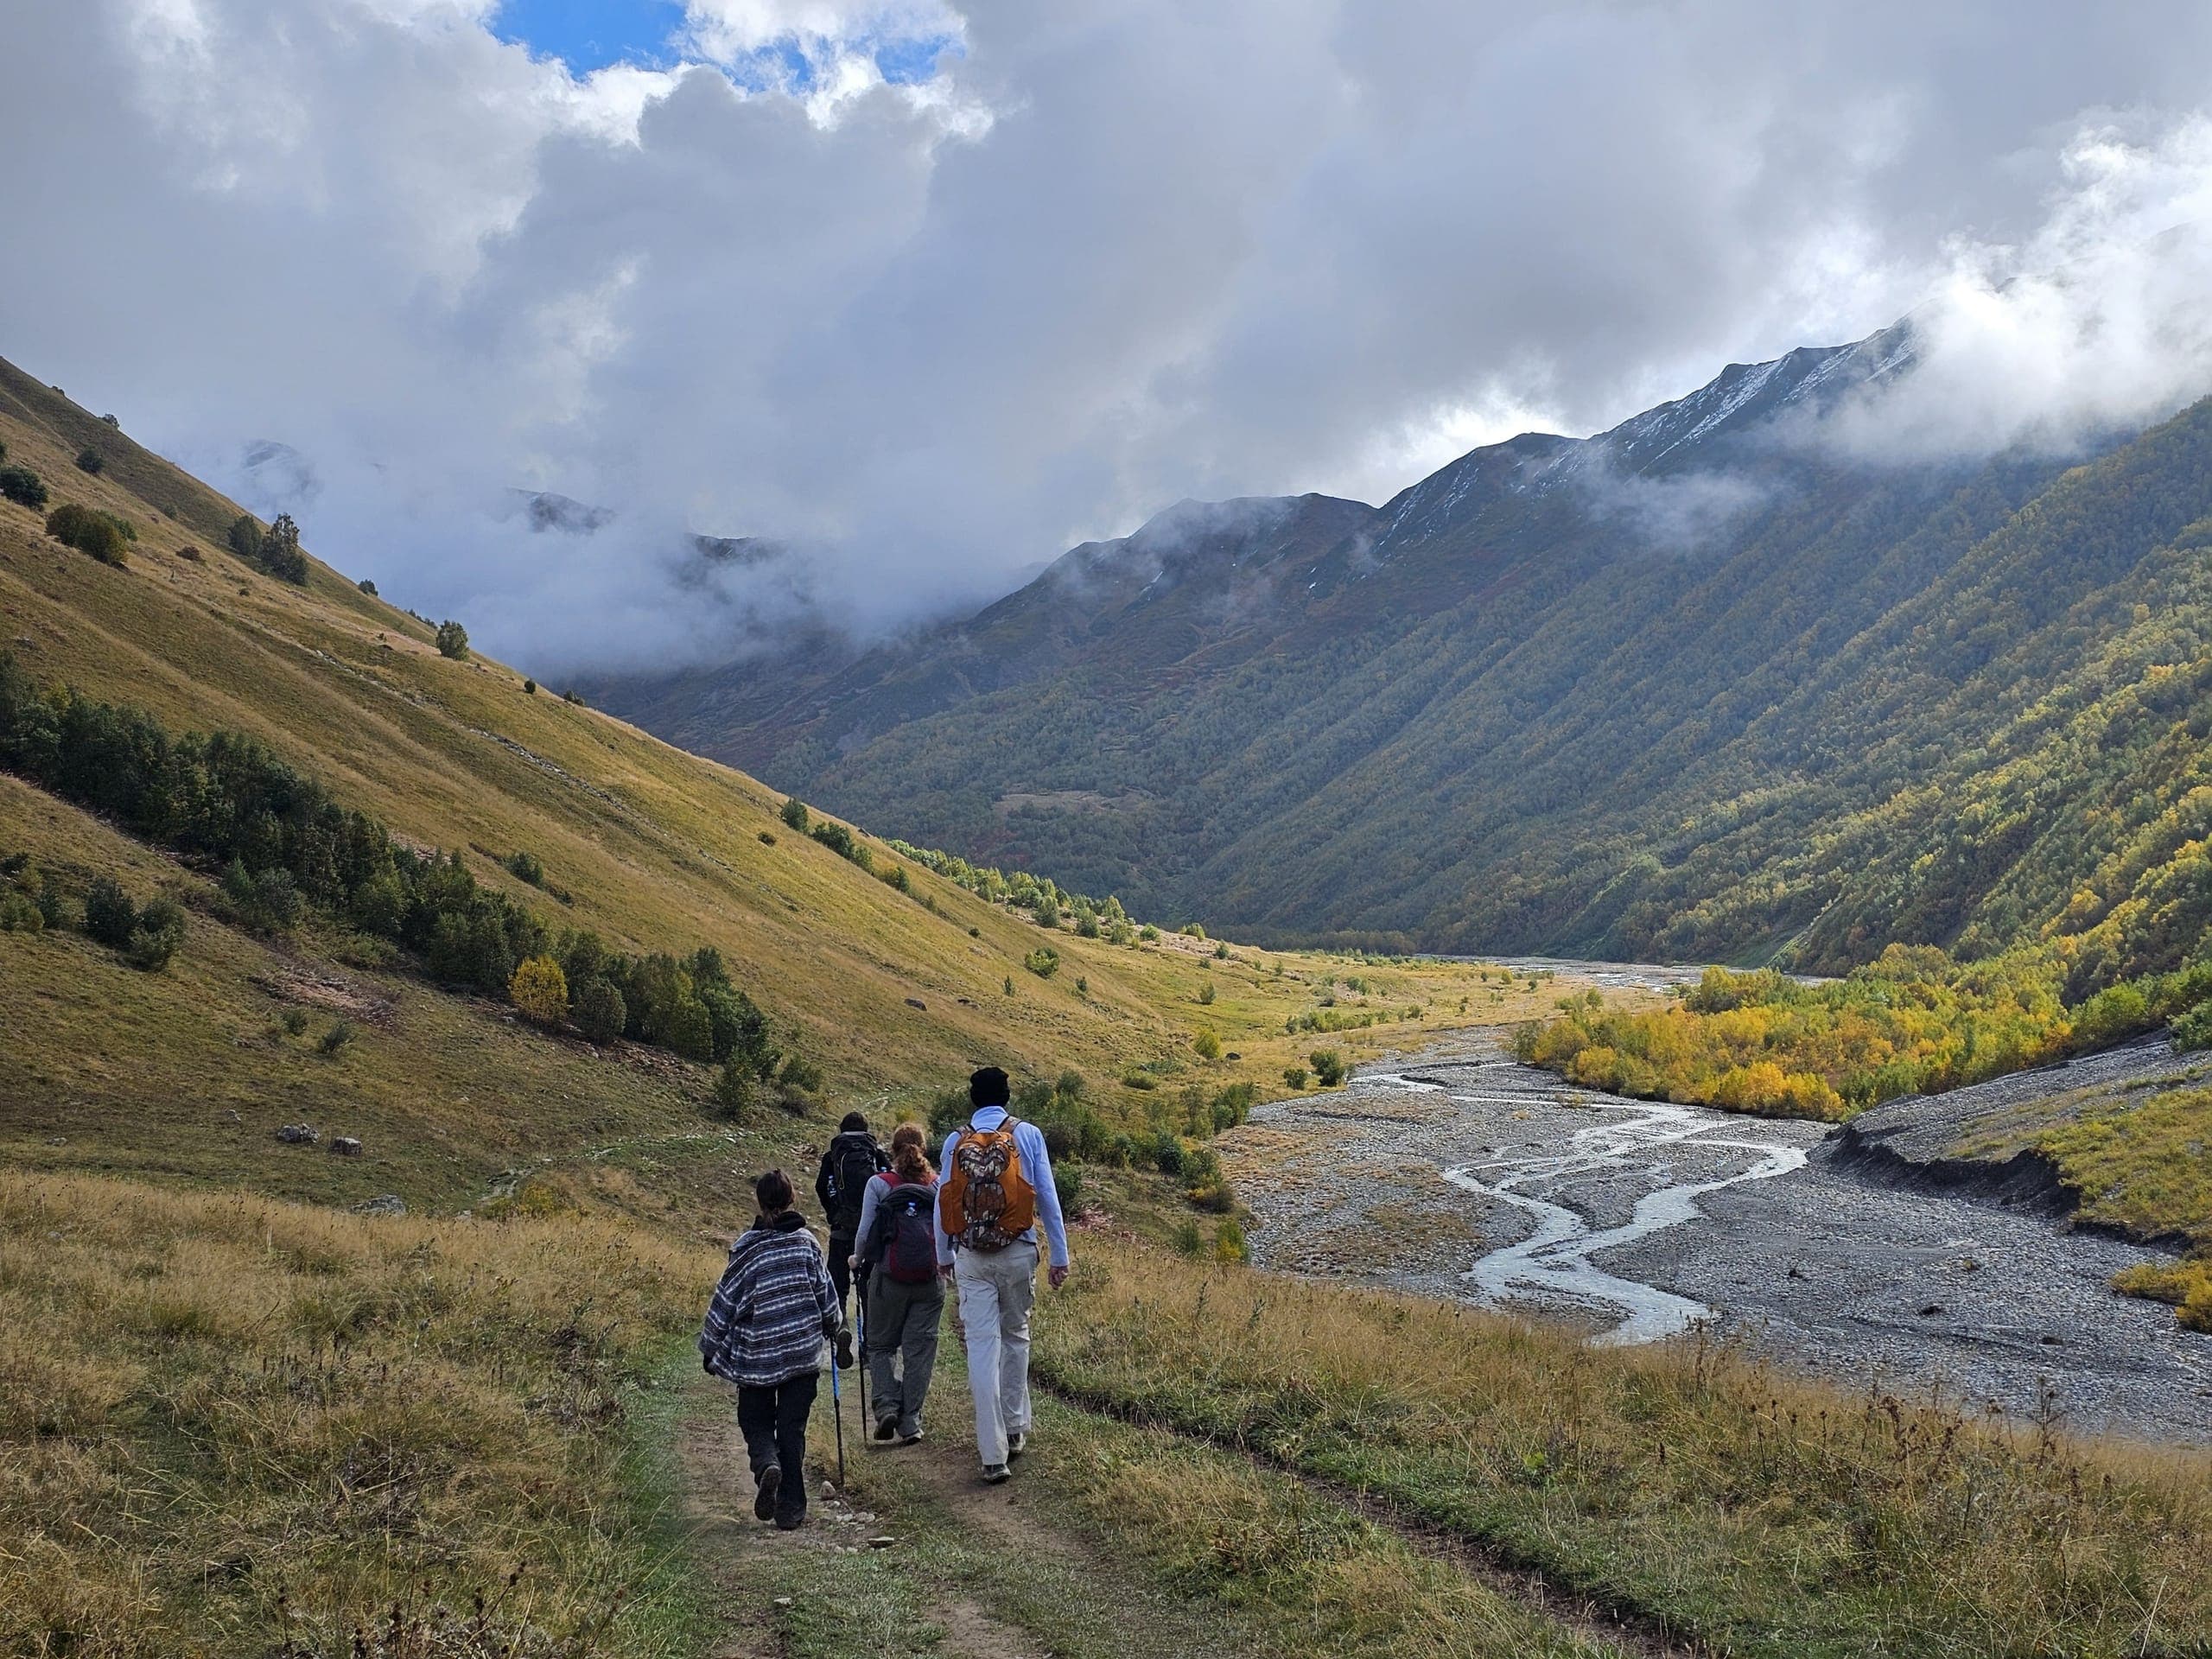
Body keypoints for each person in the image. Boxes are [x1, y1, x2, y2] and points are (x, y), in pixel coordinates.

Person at [938, 1066, 1070, 1484]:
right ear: (1007, 1097)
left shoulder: (954, 1141)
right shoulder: (1027, 1135)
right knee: (1016, 1336)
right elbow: (1046, 1197)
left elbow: (943, 1201)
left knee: (981, 1347)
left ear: (973, 1100)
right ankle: (1015, 1428)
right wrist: (1059, 1256)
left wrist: (943, 1254)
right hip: (1018, 1251)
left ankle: (992, 1454)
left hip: (971, 1257)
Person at [699, 1168, 841, 1531]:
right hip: (801, 1355)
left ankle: (766, 1465)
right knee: (791, 1429)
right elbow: (825, 1293)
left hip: (757, 1357)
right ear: (793, 1199)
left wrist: (710, 1347)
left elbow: (724, 1302)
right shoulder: (806, 1243)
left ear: (760, 1204)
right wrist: (834, 1326)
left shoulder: (747, 1249)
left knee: (755, 1419)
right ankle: (791, 1508)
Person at [853, 1122, 944, 1446]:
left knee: (879, 1345)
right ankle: (911, 1421)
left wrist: (856, 1258)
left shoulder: (879, 1184)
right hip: (929, 1280)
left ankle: (888, 1406)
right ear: (924, 1148)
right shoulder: (937, 1186)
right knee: (920, 1351)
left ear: (892, 1150)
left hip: (888, 1278)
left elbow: (864, 1232)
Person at [816, 1111, 888, 1369]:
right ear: (866, 1129)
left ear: (841, 1129)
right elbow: (889, 1184)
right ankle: (869, 1350)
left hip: (840, 1231)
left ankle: (841, 1328)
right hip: (869, 1234)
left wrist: (834, 1213)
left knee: (837, 1287)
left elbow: (821, 1187)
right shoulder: (877, 1154)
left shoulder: (832, 1156)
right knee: (869, 1290)